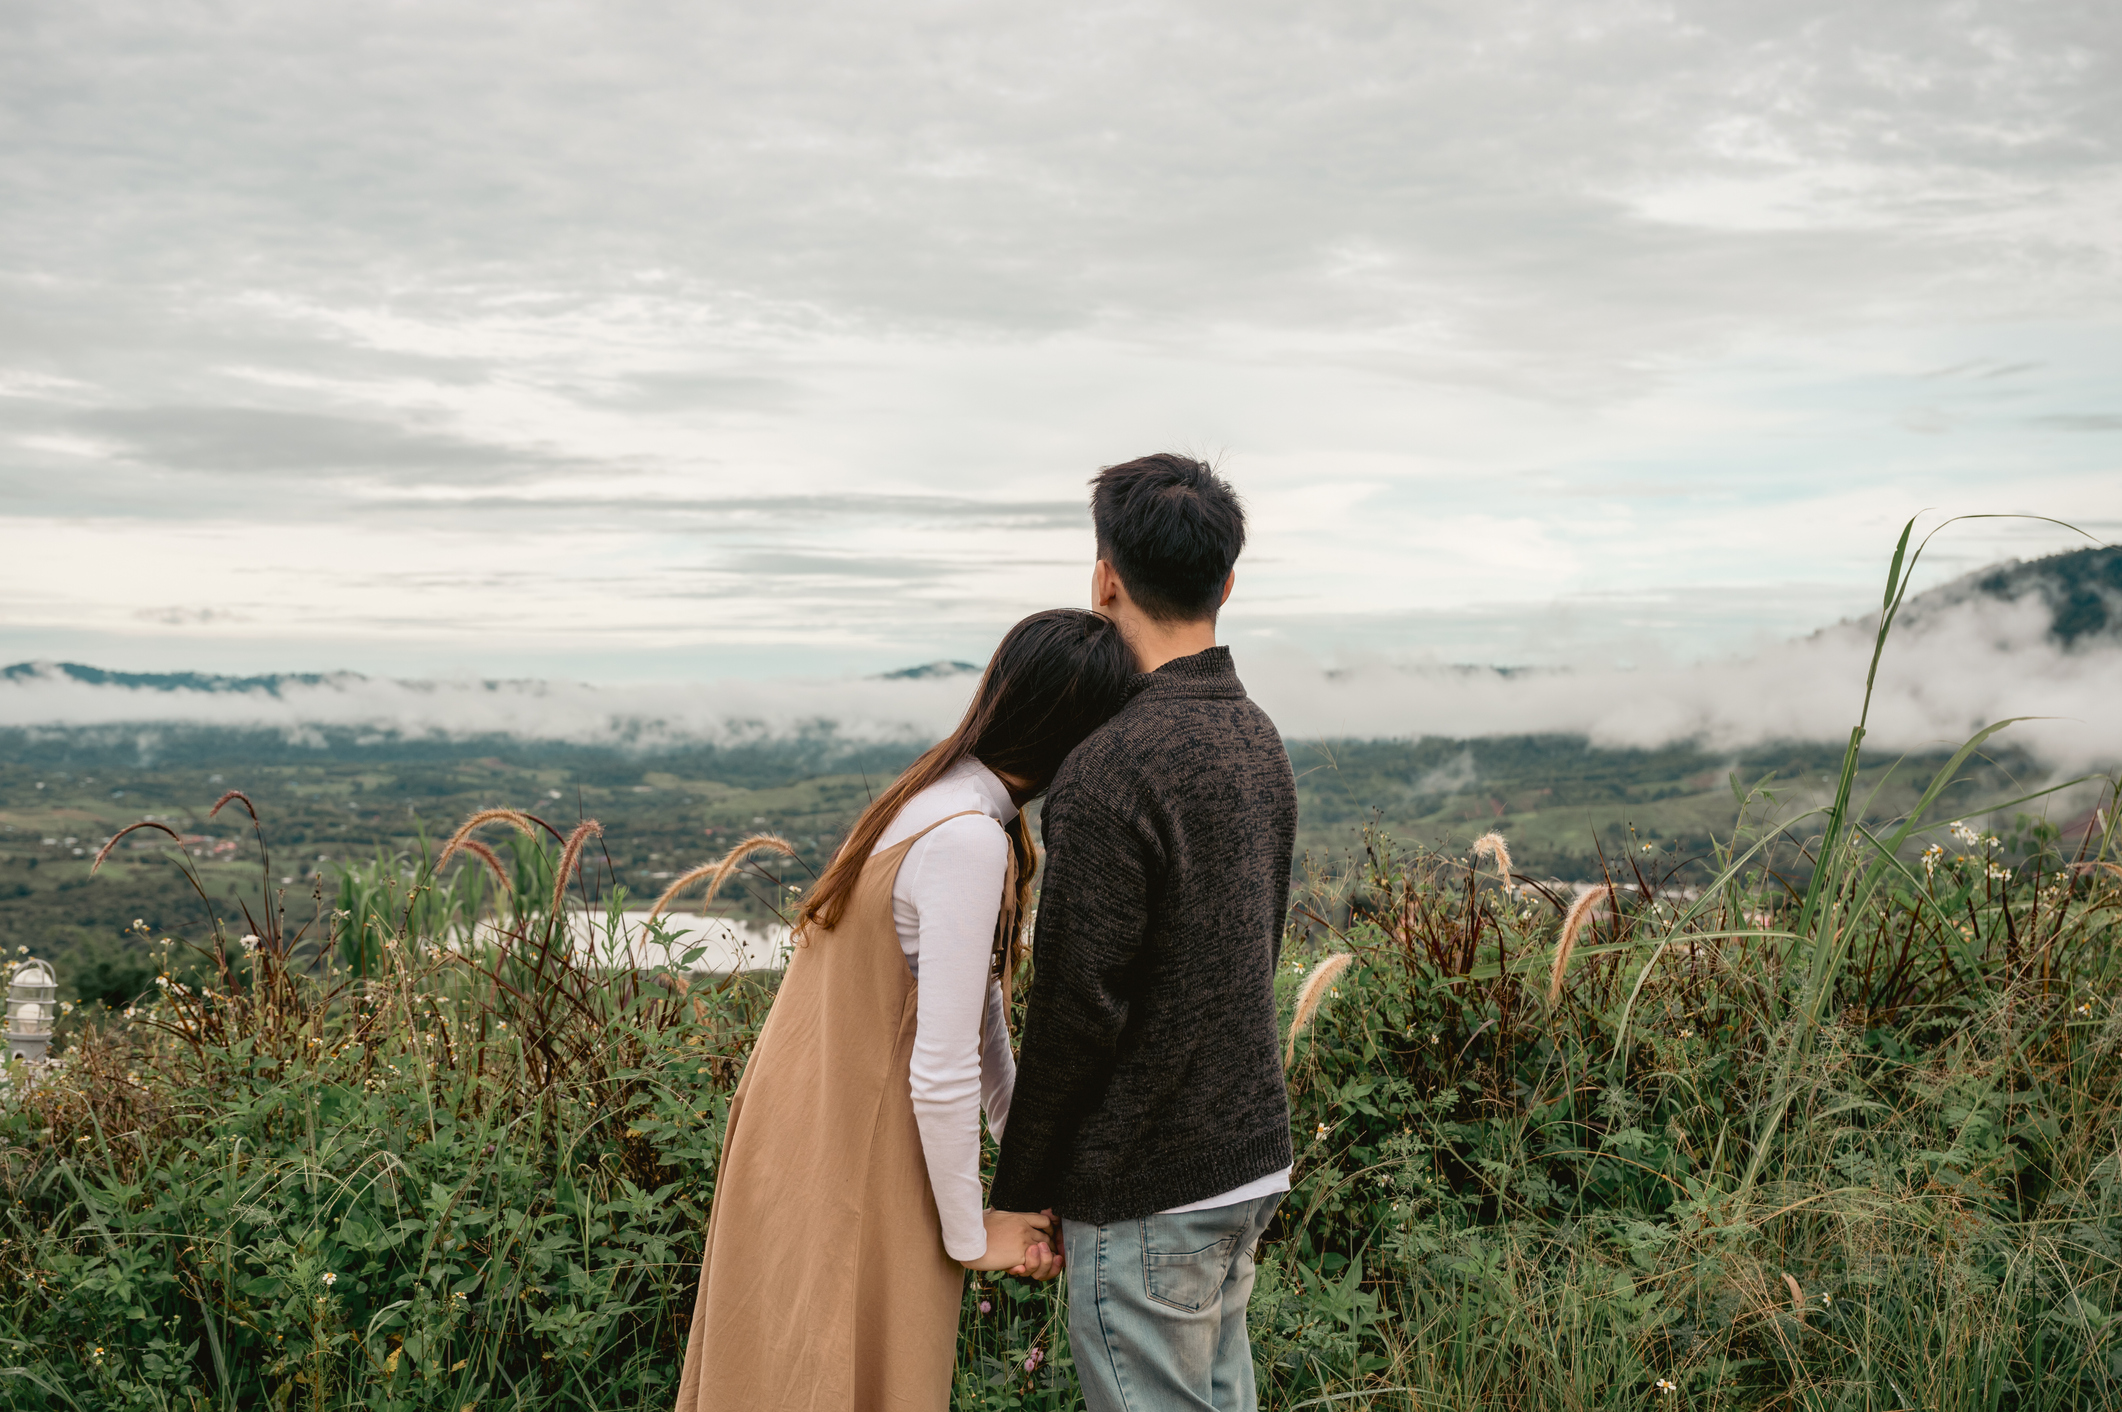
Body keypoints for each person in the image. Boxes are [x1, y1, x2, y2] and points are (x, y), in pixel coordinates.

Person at [672, 608, 1136, 1412]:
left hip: (805, 1141)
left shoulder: (929, 799)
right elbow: (946, 1062)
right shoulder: (969, 841)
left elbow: (982, 1028)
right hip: (861, 1165)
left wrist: (1033, 1173)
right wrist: (970, 1236)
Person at [992, 455, 1299, 1412]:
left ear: (1105, 578)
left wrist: (1018, 1188)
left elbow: (1079, 1007)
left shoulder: (1111, 766)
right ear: (1228, 583)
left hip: (1148, 1181)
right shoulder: (1257, 736)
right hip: (1246, 1156)